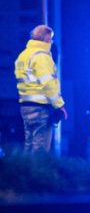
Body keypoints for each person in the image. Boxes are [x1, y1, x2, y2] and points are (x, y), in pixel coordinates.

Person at [14, 25, 67, 154]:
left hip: (25, 107)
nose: (52, 41)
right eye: (51, 38)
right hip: (40, 108)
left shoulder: (23, 55)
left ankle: (26, 173)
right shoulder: (41, 56)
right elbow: (49, 84)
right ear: (47, 38)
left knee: (29, 145)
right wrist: (60, 106)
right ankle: (36, 174)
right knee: (40, 150)